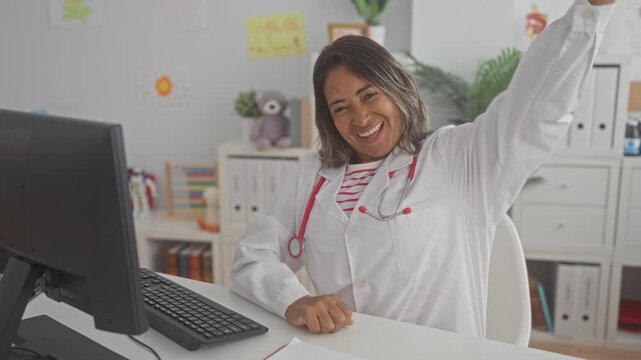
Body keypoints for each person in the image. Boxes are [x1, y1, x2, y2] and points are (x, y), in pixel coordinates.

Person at [231, 0, 616, 337]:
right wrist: (293, 301)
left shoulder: (459, 158)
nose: (361, 117)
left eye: (370, 95)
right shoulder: (313, 175)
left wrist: (590, 12)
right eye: (341, 108)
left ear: (397, 89)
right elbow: (253, 257)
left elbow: (534, 107)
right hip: (340, 350)